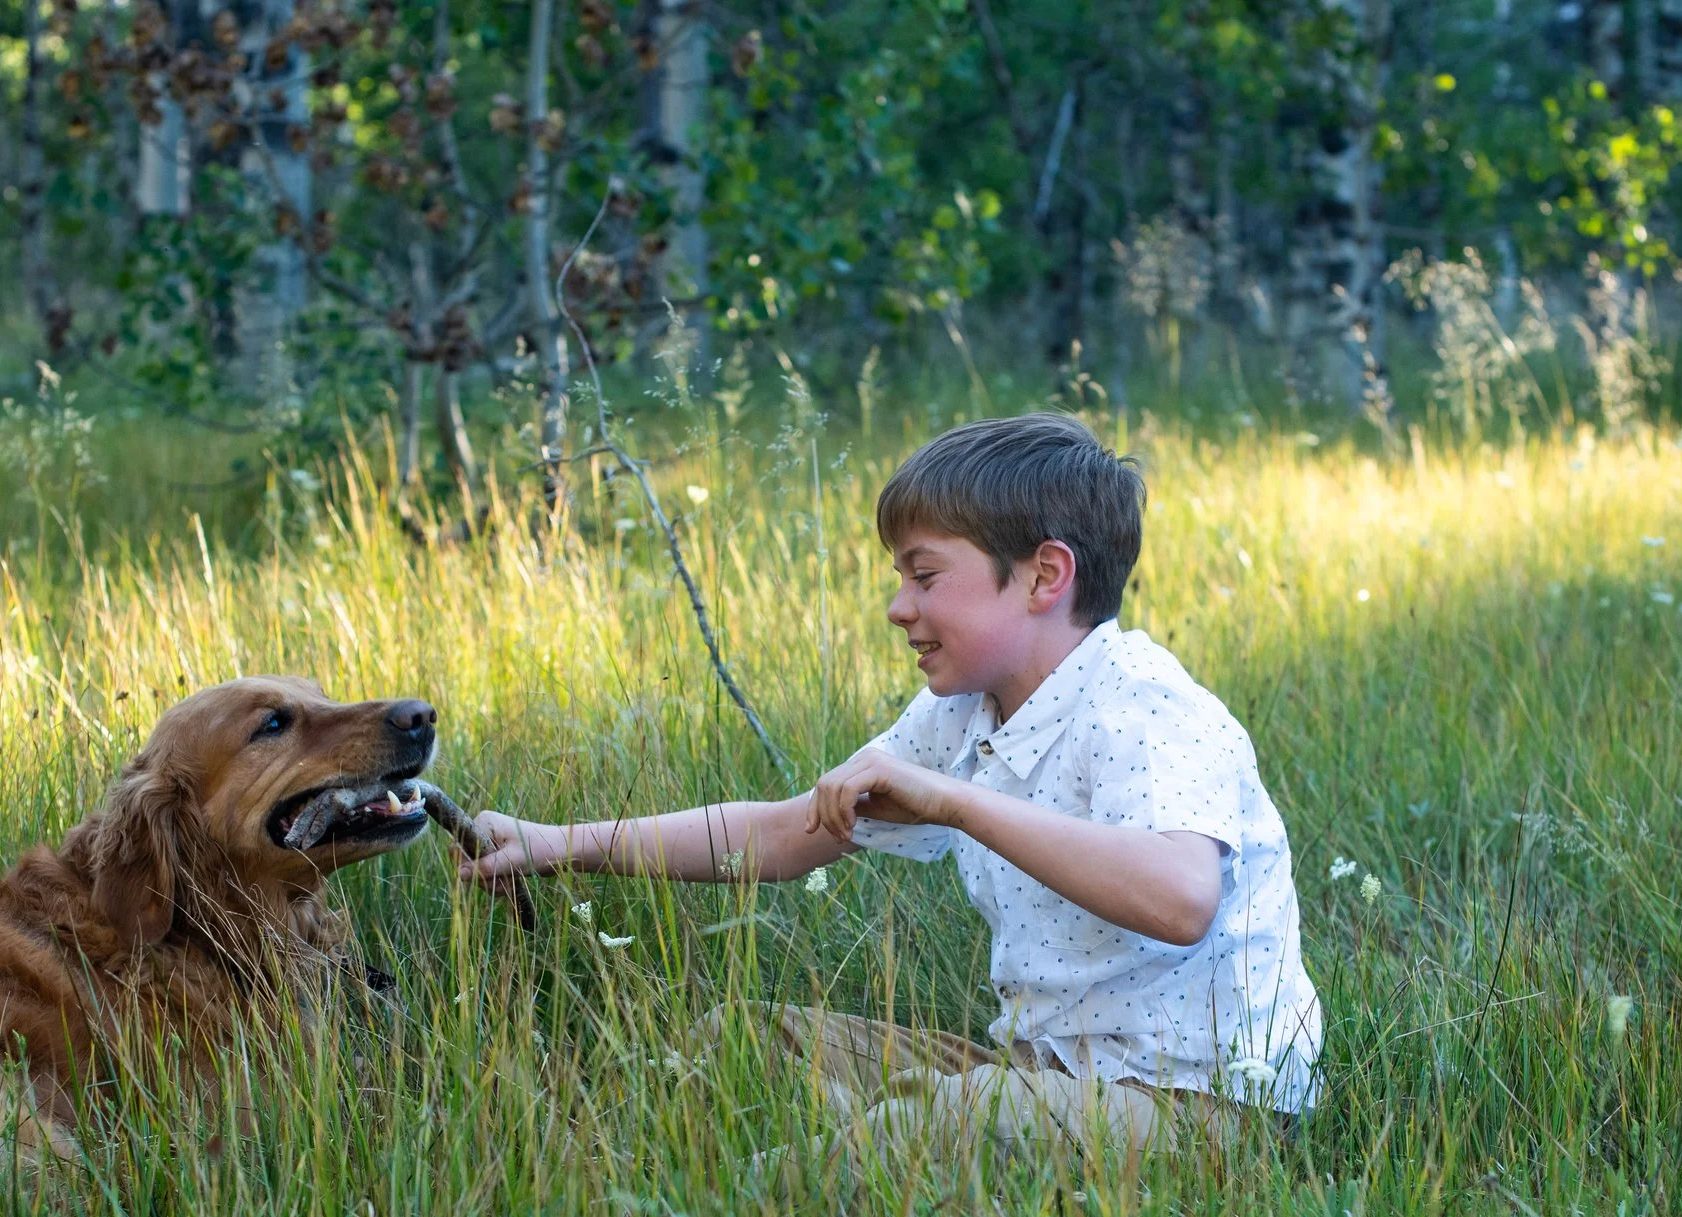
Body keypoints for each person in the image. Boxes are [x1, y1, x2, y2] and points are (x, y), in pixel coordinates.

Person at [463, 412, 1320, 1154]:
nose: (898, 607)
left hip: (1201, 1107)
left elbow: (1180, 896)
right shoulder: (962, 712)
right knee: (744, 1041)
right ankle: (855, 1142)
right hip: (1039, 1073)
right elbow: (783, 836)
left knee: (925, 1128)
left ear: (1043, 577)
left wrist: (956, 802)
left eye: (925, 575)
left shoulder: (1146, 703)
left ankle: (777, 1200)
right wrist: (556, 844)